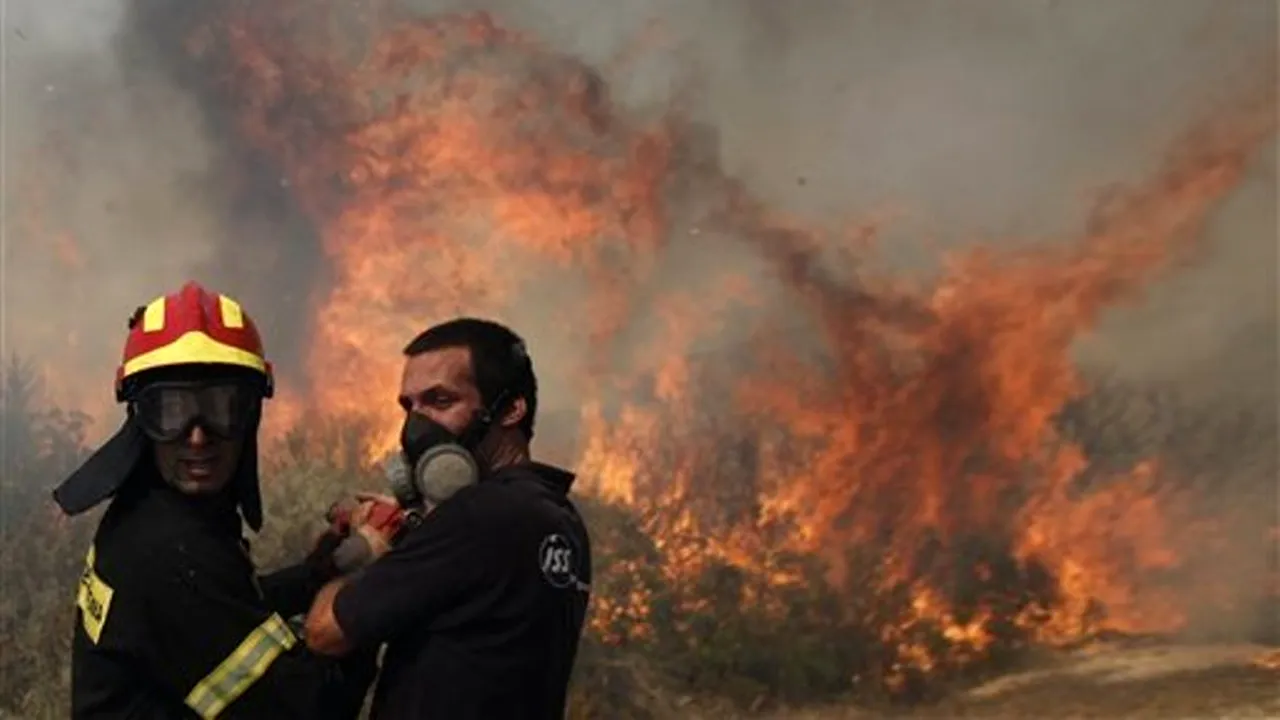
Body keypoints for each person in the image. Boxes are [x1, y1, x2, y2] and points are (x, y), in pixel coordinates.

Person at [52, 281, 397, 719]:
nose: (198, 437)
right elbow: (309, 711)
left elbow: (221, 603)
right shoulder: (167, 549)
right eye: (173, 412)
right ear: (141, 417)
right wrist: (369, 587)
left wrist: (318, 574)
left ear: (250, 413)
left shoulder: (153, 515)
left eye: (222, 408)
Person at [303, 318, 593, 720]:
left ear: (510, 409)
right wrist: (422, 527)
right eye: (409, 406)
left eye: (440, 402)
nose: (415, 427)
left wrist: (368, 545)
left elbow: (325, 632)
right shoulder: (558, 519)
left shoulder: (477, 515)